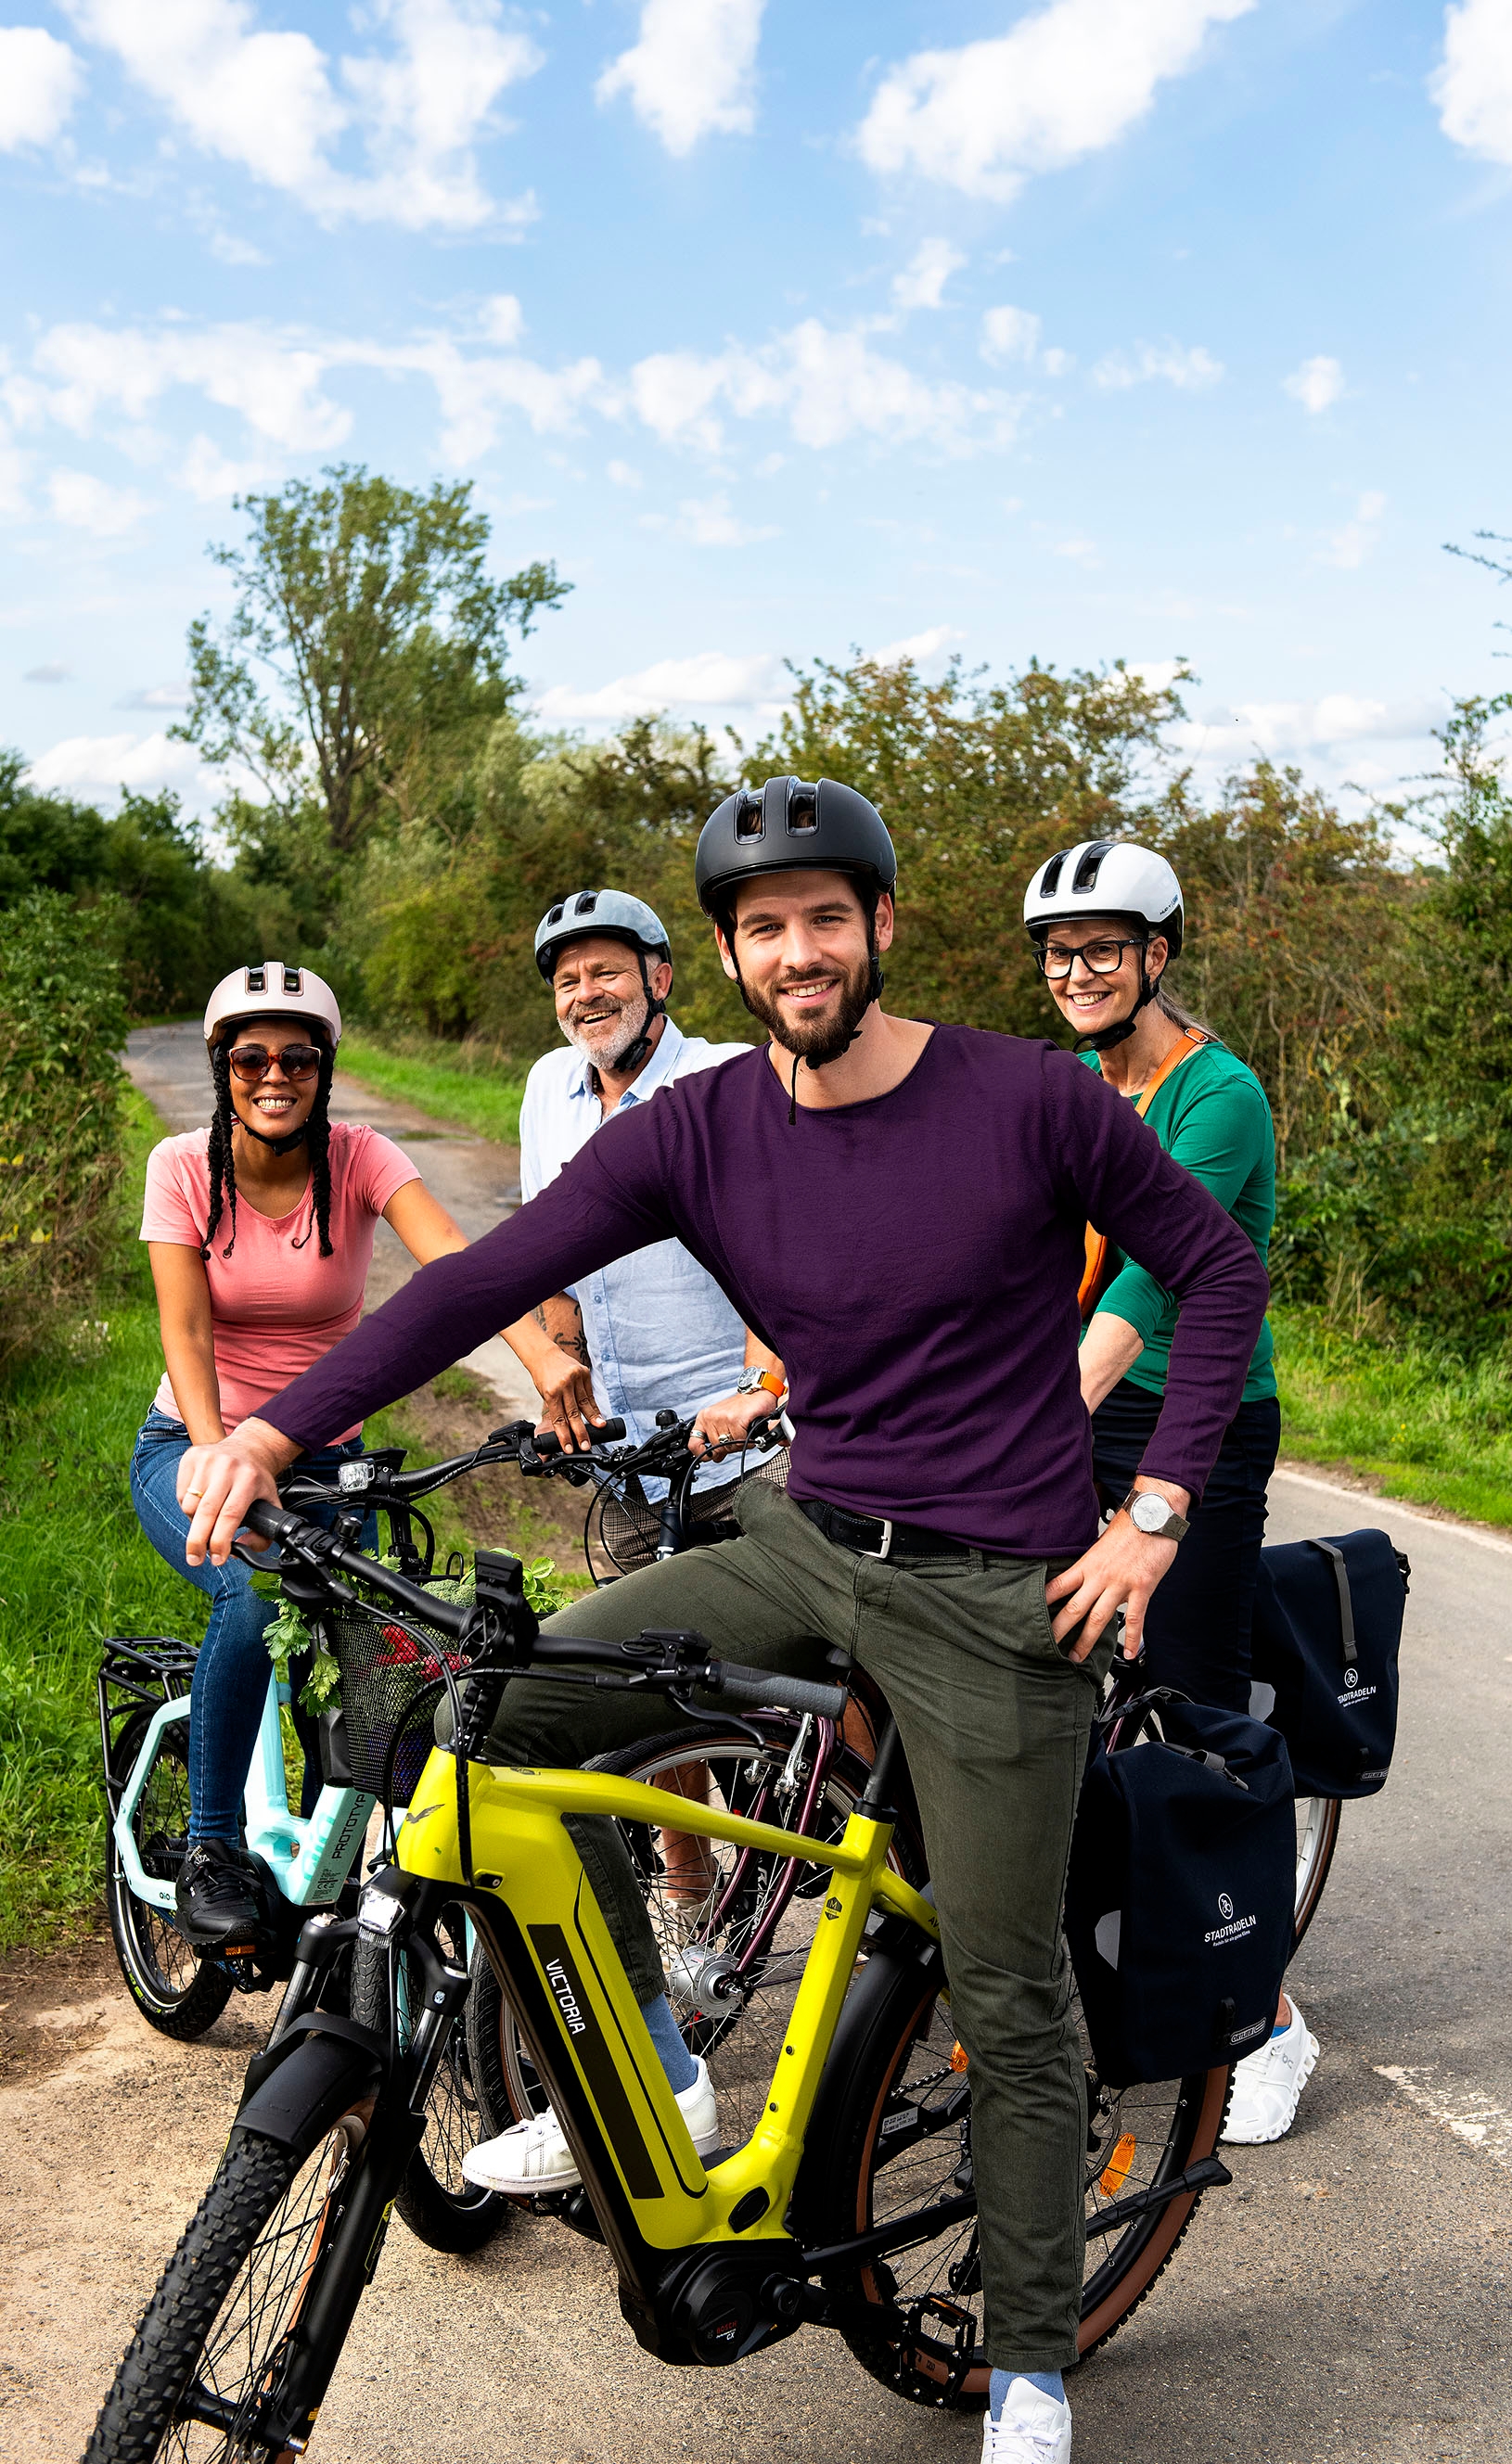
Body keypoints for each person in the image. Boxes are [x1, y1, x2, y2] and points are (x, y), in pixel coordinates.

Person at [173, 784, 1269, 2464]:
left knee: (1008, 1984)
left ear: (881, 926)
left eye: (828, 915)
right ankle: (661, 2067)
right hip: (801, 1540)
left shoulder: (1026, 1098)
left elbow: (1218, 1268)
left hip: (998, 1589)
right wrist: (267, 1429)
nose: (799, 950)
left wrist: (1156, 1513)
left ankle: (1031, 2367)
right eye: (766, 926)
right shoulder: (699, 1130)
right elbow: (479, 1279)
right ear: (731, 957)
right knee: (494, 1716)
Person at [131, 960, 563, 1953]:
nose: (273, 1075)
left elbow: (460, 1267)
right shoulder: (181, 1166)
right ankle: (210, 1845)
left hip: (328, 1460)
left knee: (376, 1644)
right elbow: (184, 1331)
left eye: (297, 1057)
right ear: (222, 1067)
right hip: (191, 1443)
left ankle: (367, 1866)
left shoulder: (361, 1158)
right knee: (255, 1599)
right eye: (250, 1057)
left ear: (324, 1069)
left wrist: (543, 1361)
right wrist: (216, 1452)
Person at [1021, 839, 1315, 2147]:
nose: (1076, 971)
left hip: (1200, 1420)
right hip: (1081, 1401)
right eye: (1057, 951)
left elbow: (1150, 1271)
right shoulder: (1078, 1084)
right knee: (1046, 1668)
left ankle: (1271, 2020)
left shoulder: (1219, 1091)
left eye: (1101, 947)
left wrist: (1047, 1405)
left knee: (1188, 1711)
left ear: (1155, 954)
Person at [519, 888, 786, 1515]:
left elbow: (783, 1250)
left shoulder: (725, 1080)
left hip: (746, 1454)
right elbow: (548, 1265)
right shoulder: (548, 1086)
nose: (585, 994)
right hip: (625, 1465)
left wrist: (760, 1388)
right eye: (567, 982)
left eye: (606, 973)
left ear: (659, 980)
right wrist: (566, 1396)